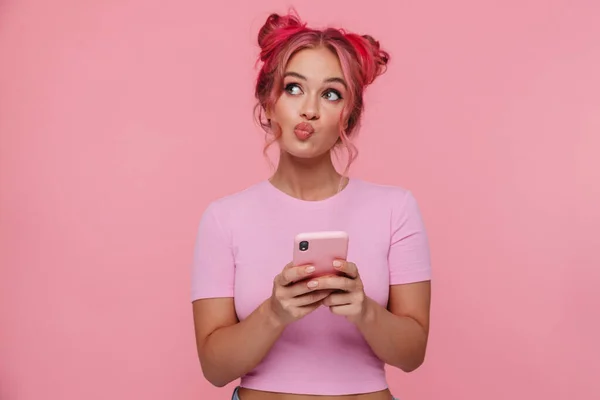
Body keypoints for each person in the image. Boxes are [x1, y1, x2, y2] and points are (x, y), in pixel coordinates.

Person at [190, 10, 432, 400]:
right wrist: (275, 312)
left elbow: (412, 355)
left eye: (331, 93)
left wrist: (364, 310)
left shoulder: (396, 209)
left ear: (347, 118)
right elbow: (215, 370)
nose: (310, 110)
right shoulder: (223, 218)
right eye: (293, 88)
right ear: (268, 104)